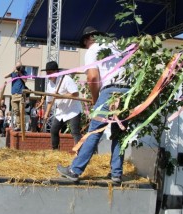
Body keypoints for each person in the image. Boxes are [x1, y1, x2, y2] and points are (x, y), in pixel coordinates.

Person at [57, 26, 131, 183]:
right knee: (119, 134)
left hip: (110, 91)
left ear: (87, 40)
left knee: (94, 132)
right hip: (127, 92)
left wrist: (96, 99)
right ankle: (116, 174)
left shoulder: (93, 49)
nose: (85, 47)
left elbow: (92, 78)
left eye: (84, 44)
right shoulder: (116, 47)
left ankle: (74, 170)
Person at [43, 61, 82, 150]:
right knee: (53, 131)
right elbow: (50, 101)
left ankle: (79, 153)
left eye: (50, 73)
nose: (48, 75)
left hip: (73, 110)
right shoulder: (49, 85)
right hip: (61, 111)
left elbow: (75, 94)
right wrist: (46, 114)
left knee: (75, 132)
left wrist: (60, 96)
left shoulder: (66, 79)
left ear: (56, 72)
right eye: (47, 73)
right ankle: (55, 151)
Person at [4, 61, 28, 131]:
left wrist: (20, 73)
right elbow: (5, 76)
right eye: (17, 66)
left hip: (21, 94)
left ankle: (22, 126)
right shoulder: (13, 73)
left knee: (21, 110)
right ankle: (18, 126)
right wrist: (13, 71)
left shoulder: (24, 72)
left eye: (19, 67)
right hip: (14, 94)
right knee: (16, 111)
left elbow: (25, 80)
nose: (18, 68)